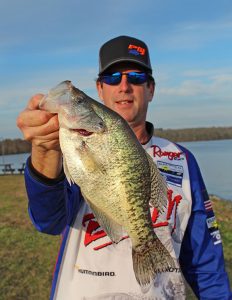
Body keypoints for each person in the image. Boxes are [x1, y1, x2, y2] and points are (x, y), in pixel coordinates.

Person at [17, 35, 231, 300]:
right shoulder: (66, 152)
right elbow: (48, 221)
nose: (124, 86)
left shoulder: (182, 159)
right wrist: (45, 151)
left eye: (136, 77)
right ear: (99, 89)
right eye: (112, 77)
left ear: (151, 88)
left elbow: (204, 260)